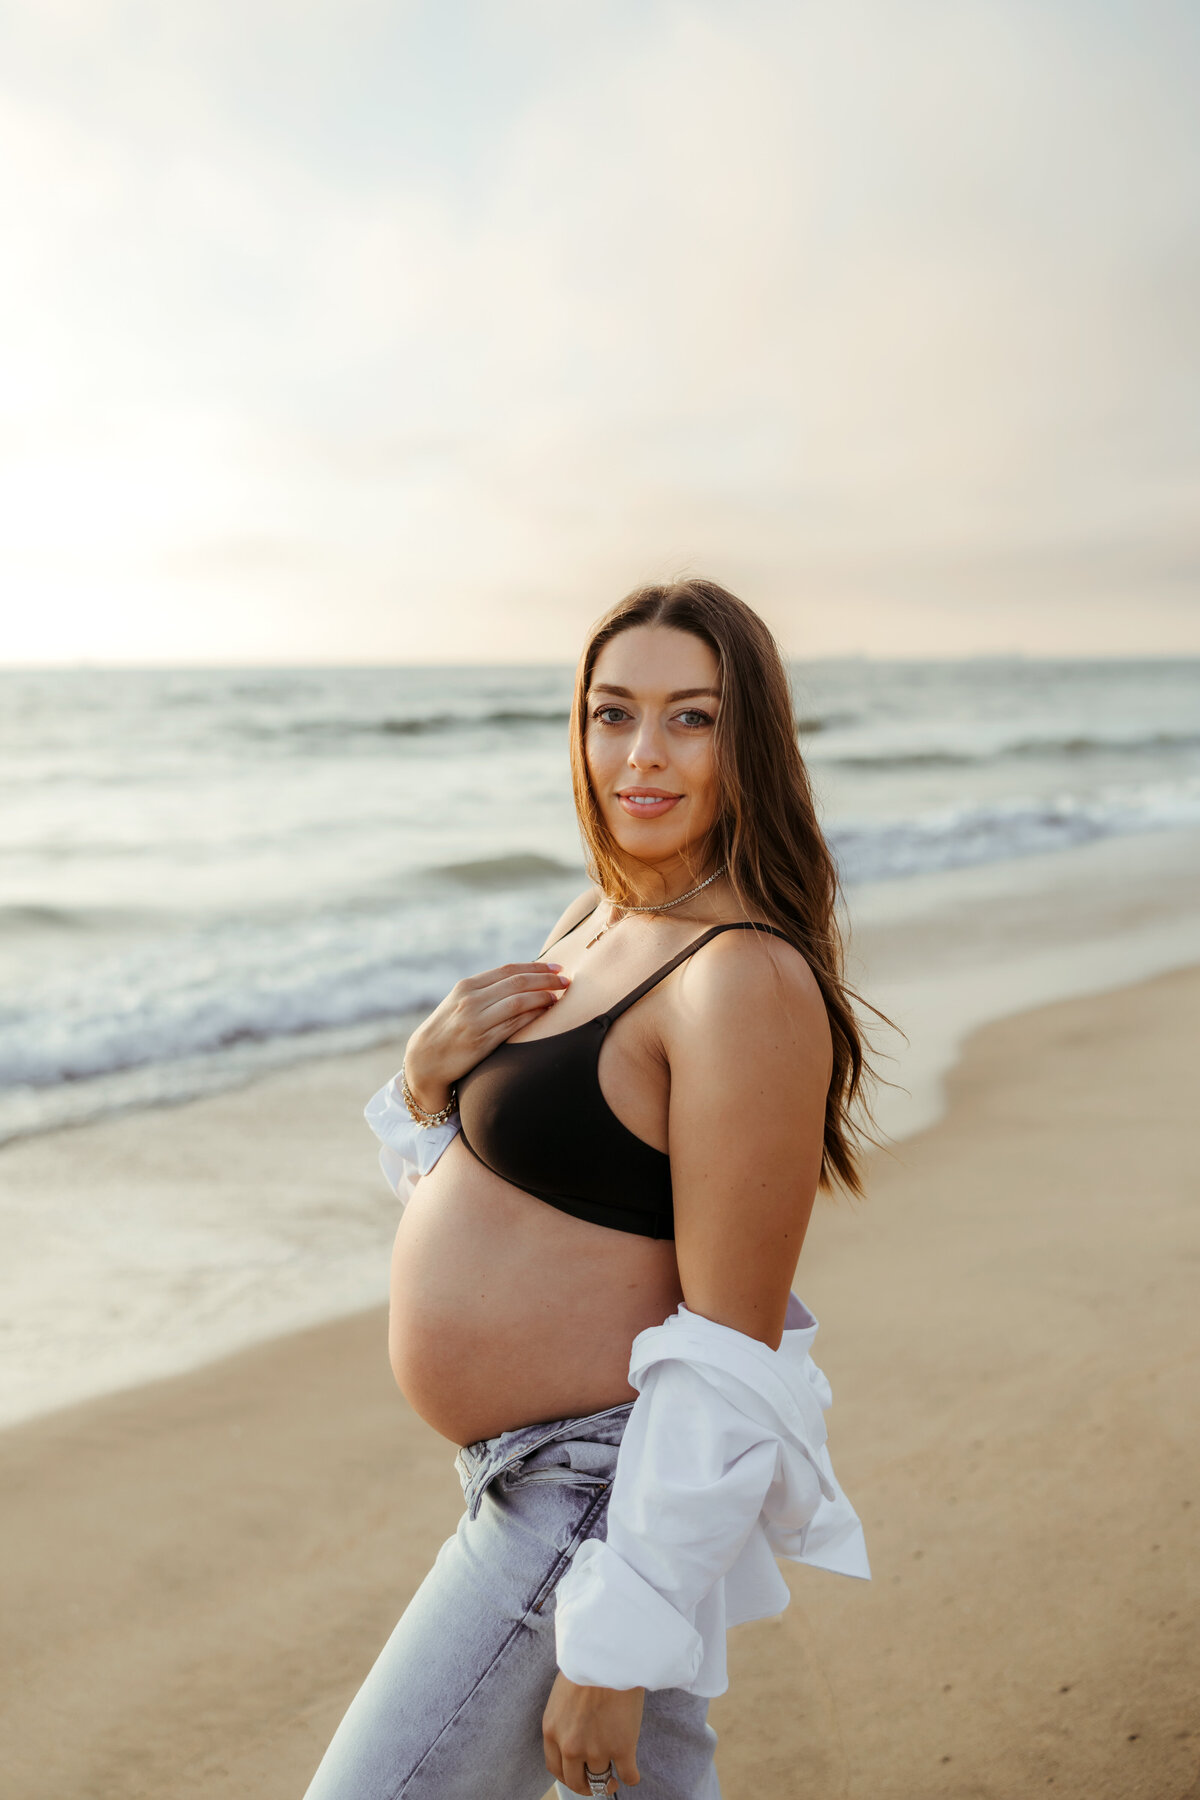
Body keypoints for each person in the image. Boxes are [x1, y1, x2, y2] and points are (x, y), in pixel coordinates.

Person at [303, 579, 874, 1800]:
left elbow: (734, 1344)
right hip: (530, 1477)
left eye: (692, 718)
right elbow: (524, 1200)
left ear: (751, 742)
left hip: (591, 1497)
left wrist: (622, 1640)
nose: (642, 755)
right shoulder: (598, 919)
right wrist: (420, 1084)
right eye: (613, 714)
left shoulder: (744, 981)